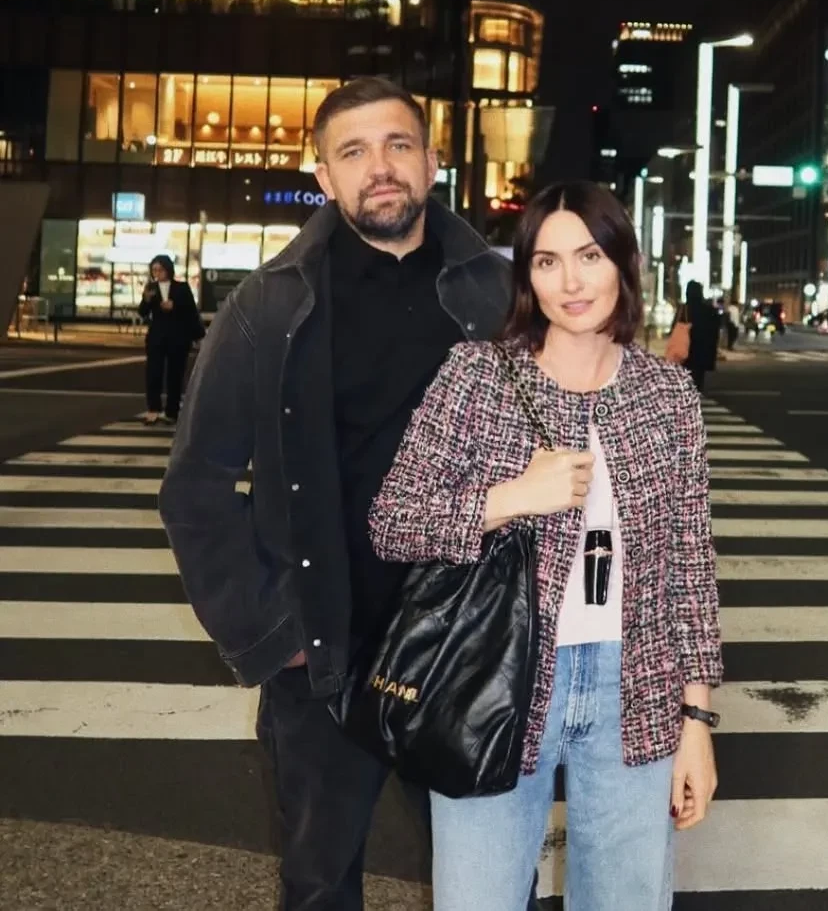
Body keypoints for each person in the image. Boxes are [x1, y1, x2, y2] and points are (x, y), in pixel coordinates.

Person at [159, 77, 534, 911]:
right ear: (325, 177)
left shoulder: (501, 296)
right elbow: (197, 485)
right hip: (324, 651)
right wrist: (271, 631)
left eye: (398, 145)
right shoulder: (271, 304)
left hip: (465, 646)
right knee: (320, 884)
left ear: (432, 162)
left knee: (491, 885)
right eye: (354, 152)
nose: (380, 167)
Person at [370, 180, 724, 911]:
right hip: (495, 672)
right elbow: (394, 520)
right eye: (547, 262)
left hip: (637, 683)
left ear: (623, 264)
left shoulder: (669, 396)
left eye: (590, 256)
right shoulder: (477, 376)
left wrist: (697, 722)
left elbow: (690, 568)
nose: (571, 282)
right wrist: (511, 499)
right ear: (526, 277)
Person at [137, 253, 202, 424]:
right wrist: (146, 300)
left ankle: (172, 411)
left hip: (178, 337)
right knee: (153, 372)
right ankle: (153, 409)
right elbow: (142, 311)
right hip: (157, 336)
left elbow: (191, 312)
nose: (157, 273)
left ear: (168, 270)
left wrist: (175, 306)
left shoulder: (181, 288)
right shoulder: (151, 288)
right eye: (154, 270)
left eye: (160, 269)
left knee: (175, 374)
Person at [679, 280, 722, 391]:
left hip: (686, 348)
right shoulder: (709, 310)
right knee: (698, 376)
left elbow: (675, 328)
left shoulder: (684, 310)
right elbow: (715, 330)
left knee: (685, 375)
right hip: (703, 349)